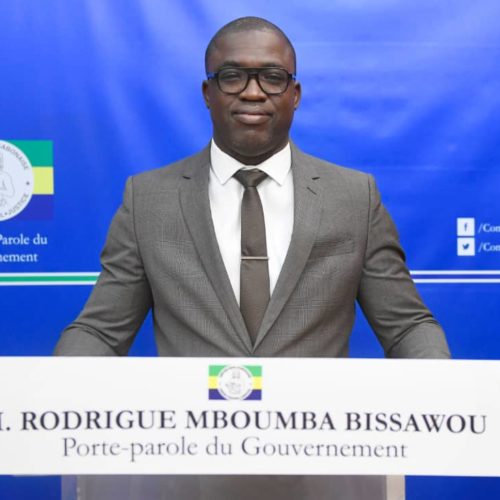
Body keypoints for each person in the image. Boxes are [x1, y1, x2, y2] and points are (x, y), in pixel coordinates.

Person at [55, 16, 450, 500]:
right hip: (189, 478)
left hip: (321, 473)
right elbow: (101, 330)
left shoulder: (354, 197)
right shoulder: (149, 200)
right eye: (232, 76)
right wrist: (51, 394)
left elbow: (406, 326)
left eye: (272, 77)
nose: (253, 92)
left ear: (295, 93)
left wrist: (440, 391)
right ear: (208, 92)